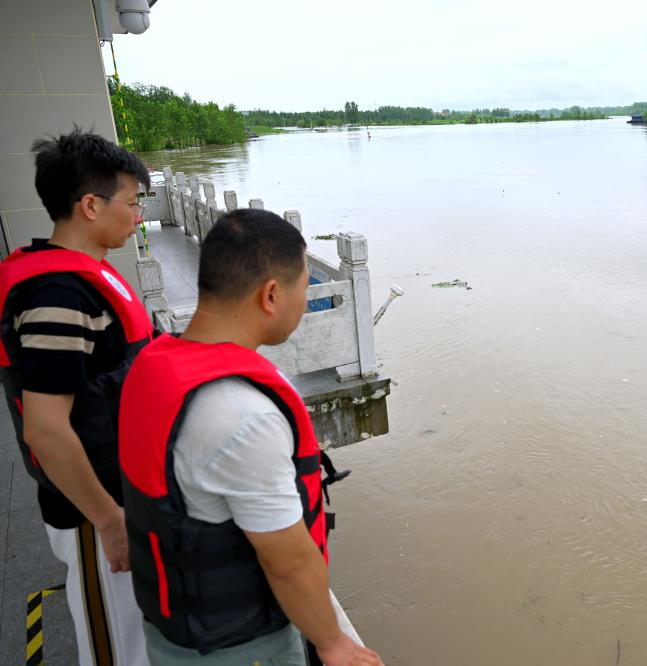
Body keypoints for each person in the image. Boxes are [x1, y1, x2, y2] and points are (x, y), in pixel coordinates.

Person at [118, 209, 383, 665]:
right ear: (272, 295)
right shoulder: (243, 417)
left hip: (173, 634)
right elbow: (289, 561)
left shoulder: (152, 366)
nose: (304, 301)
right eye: (304, 289)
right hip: (240, 647)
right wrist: (334, 643)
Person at [0, 129, 153, 665]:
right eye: (132, 203)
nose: (138, 216)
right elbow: (45, 427)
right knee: (115, 642)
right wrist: (109, 521)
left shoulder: (85, 280)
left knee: (137, 629)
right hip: (93, 507)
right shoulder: (56, 297)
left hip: (121, 491)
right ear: (91, 205)